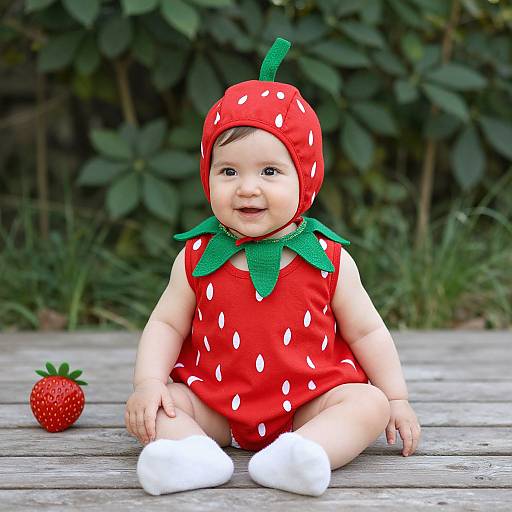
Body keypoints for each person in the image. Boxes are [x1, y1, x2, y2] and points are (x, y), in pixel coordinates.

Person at [125, 38, 421, 497]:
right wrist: (148, 383)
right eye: (228, 172)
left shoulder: (328, 260)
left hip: (308, 404)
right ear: (207, 176)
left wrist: (397, 398)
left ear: (305, 178)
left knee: (368, 403)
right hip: (216, 406)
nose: (246, 189)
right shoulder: (197, 257)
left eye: (269, 172)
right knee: (162, 406)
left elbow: (367, 333)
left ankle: (305, 453)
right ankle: (192, 456)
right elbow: (165, 323)